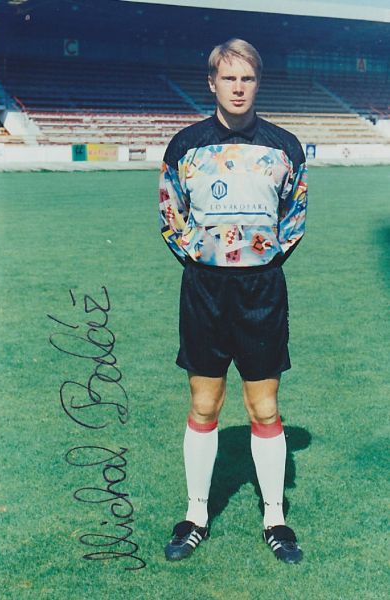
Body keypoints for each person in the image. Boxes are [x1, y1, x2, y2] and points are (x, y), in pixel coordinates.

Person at [158, 38, 307, 564]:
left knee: (264, 406)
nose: (238, 88)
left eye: (247, 78)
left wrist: (256, 259)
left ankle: (275, 519)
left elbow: (294, 220)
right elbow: (170, 216)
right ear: (212, 83)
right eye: (229, 78)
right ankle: (196, 515)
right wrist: (206, 259)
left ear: (258, 83)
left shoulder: (285, 146)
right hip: (203, 289)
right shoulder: (185, 146)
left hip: (262, 290)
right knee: (204, 403)